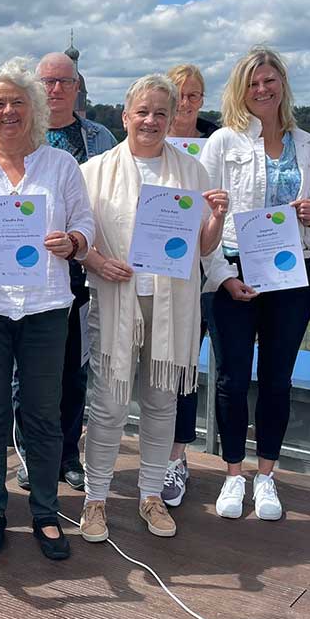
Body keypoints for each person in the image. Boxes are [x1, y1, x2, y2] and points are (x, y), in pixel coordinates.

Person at [0, 58, 94, 560]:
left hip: (46, 305)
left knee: (43, 414)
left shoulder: (61, 166)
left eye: (18, 102)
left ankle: (46, 513)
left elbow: (85, 226)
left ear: (34, 108)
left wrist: (72, 240)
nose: (9, 111)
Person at [80, 74, 228, 541]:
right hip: (115, 297)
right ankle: (95, 500)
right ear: (125, 117)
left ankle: (150, 495)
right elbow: (79, 239)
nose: (150, 121)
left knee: (162, 401)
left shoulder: (192, 170)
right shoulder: (95, 171)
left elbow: (203, 247)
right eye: (142, 112)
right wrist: (100, 262)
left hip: (172, 302)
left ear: (171, 118)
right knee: (107, 406)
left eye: (160, 113)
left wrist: (218, 219)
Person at [200, 47, 310, 521]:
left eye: (270, 80)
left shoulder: (308, 144)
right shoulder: (223, 143)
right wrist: (221, 277)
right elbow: (205, 218)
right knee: (232, 379)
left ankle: (267, 475)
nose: (262, 89)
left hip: (289, 277)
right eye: (253, 82)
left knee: (277, 379)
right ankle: (234, 474)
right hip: (233, 272)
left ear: (282, 85)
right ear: (240, 89)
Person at [13, 51, 120, 495]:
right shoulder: (19, 136)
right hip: (26, 276)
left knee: (74, 372)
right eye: (47, 81)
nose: (55, 89)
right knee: (28, 376)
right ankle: (31, 454)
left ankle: (68, 453)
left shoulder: (101, 138)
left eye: (65, 81)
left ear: (78, 86)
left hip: (82, 276)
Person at [160, 64, 220, 507]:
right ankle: (149, 451)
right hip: (150, 273)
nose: (185, 103)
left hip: (194, 274)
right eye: (178, 94)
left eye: (194, 95)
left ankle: (177, 455)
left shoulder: (216, 140)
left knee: (183, 369)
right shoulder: (147, 141)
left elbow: (219, 216)